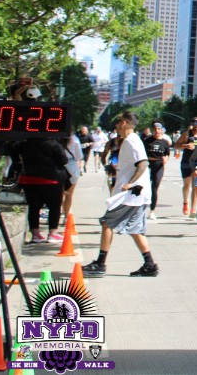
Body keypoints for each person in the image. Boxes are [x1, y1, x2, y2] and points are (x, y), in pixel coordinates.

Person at [82, 111, 158, 277]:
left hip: (131, 194)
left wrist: (130, 182)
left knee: (107, 223)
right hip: (138, 194)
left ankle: (100, 264)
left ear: (124, 123)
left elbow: (143, 163)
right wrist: (116, 169)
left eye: (118, 122)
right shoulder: (130, 140)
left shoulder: (132, 141)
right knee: (136, 229)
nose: (116, 126)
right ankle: (150, 265)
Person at [13, 137, 69, 244]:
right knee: (54, 207)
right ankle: (52, 234)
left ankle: (35, 234)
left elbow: (12, 149)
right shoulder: (52, 143)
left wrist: (18, 162)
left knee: (33, 207)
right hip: (51, 179)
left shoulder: (25, 143)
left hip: (29, 179)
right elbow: (64, 160)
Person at [175, 117, 197, 217]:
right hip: (186, 162)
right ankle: (185, 203)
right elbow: (176, 145)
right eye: (194, 123)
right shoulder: (186, 134)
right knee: (186, 185)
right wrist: (186, 146)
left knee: (195, 186)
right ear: (192, 124)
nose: (196, 125)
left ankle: (193, 208)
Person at [143, 122, 173, 221]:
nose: (156, 131)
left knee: (154, 188)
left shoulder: (164, 142)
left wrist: (166, 159)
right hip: (148, 165)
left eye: (158, 129)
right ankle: (140, 209)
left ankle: (152, 211)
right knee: (144, 188)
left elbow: (167, 154)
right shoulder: (147, 140)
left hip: (159, 166)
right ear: (153, 130)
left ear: (161, 130)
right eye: (155, 129)